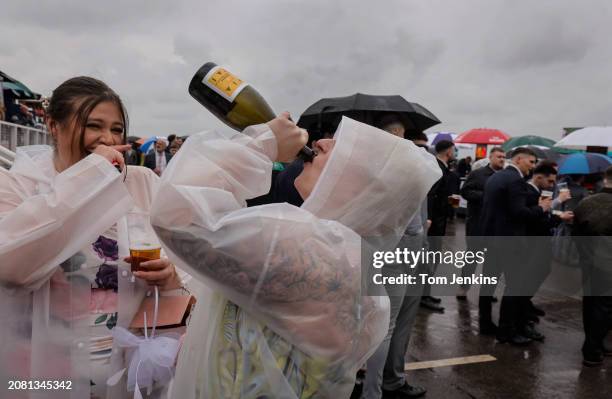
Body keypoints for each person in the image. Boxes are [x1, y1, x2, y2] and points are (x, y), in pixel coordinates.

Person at [152, 114, 441, 399]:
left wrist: (261, 143)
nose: (322, 142)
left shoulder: (311, 252)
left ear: (365, 189)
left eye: (342, 149)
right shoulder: (351, 264)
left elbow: (176, 214)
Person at [0, 76, 188, 398]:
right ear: (53, 125)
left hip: (125, 367)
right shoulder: (17, 185)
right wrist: (92, 176)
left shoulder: (140, 181)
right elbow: (12, 266)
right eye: (93, 125)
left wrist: (169, 276)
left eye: (116, 129)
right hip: (40, 370)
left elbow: (184, 259)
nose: (107, 138)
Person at [362, 126, 431, 399]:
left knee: (393, 321)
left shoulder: (374, 167)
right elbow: (411, 223)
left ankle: (388, 380)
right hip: (400, 250)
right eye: (399, 134)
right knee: (390, 324)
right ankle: (377, 389)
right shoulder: (402, 169)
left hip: (390, 250)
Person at [480, 147, 551, 345]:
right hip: (509, 241)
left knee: (488, 284)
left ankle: (485, 324)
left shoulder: (496, 177)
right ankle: (506, 332)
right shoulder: (515, 180)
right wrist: (541, 208)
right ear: (519, 159)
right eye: (531, 162)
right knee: (514, 286)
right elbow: (519, 213)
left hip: (491, 238)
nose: (533, 166)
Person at [457, 147, 505, 326]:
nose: (501, 159)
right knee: (473, 257)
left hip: (495, 227)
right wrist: (486, 196)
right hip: (477, 224)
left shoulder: (503, 177)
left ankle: (488, 292)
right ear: (490, 157)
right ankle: (463, 287)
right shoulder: (478, 174)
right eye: (499, 156)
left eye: (503, 157)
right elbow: (465, 192)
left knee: (492, 261)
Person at [572, 165, 612, 367]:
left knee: (591, 304)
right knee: (604, 307)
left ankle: (594, 345)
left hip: (589, 262)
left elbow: (575, 234)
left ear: (605, 180)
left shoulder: (586, 202)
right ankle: (593, 348)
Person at [421, 139, 456, 312]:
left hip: (438, 220)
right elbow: (430, 194)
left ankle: (425, 293)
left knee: (433, 259)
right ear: (448, 151)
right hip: (433, 222)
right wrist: (428, 218)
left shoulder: (443, 167)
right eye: (454, 150)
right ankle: (422, 296)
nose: (455, 153)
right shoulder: (436, 166)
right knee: (429, 259)